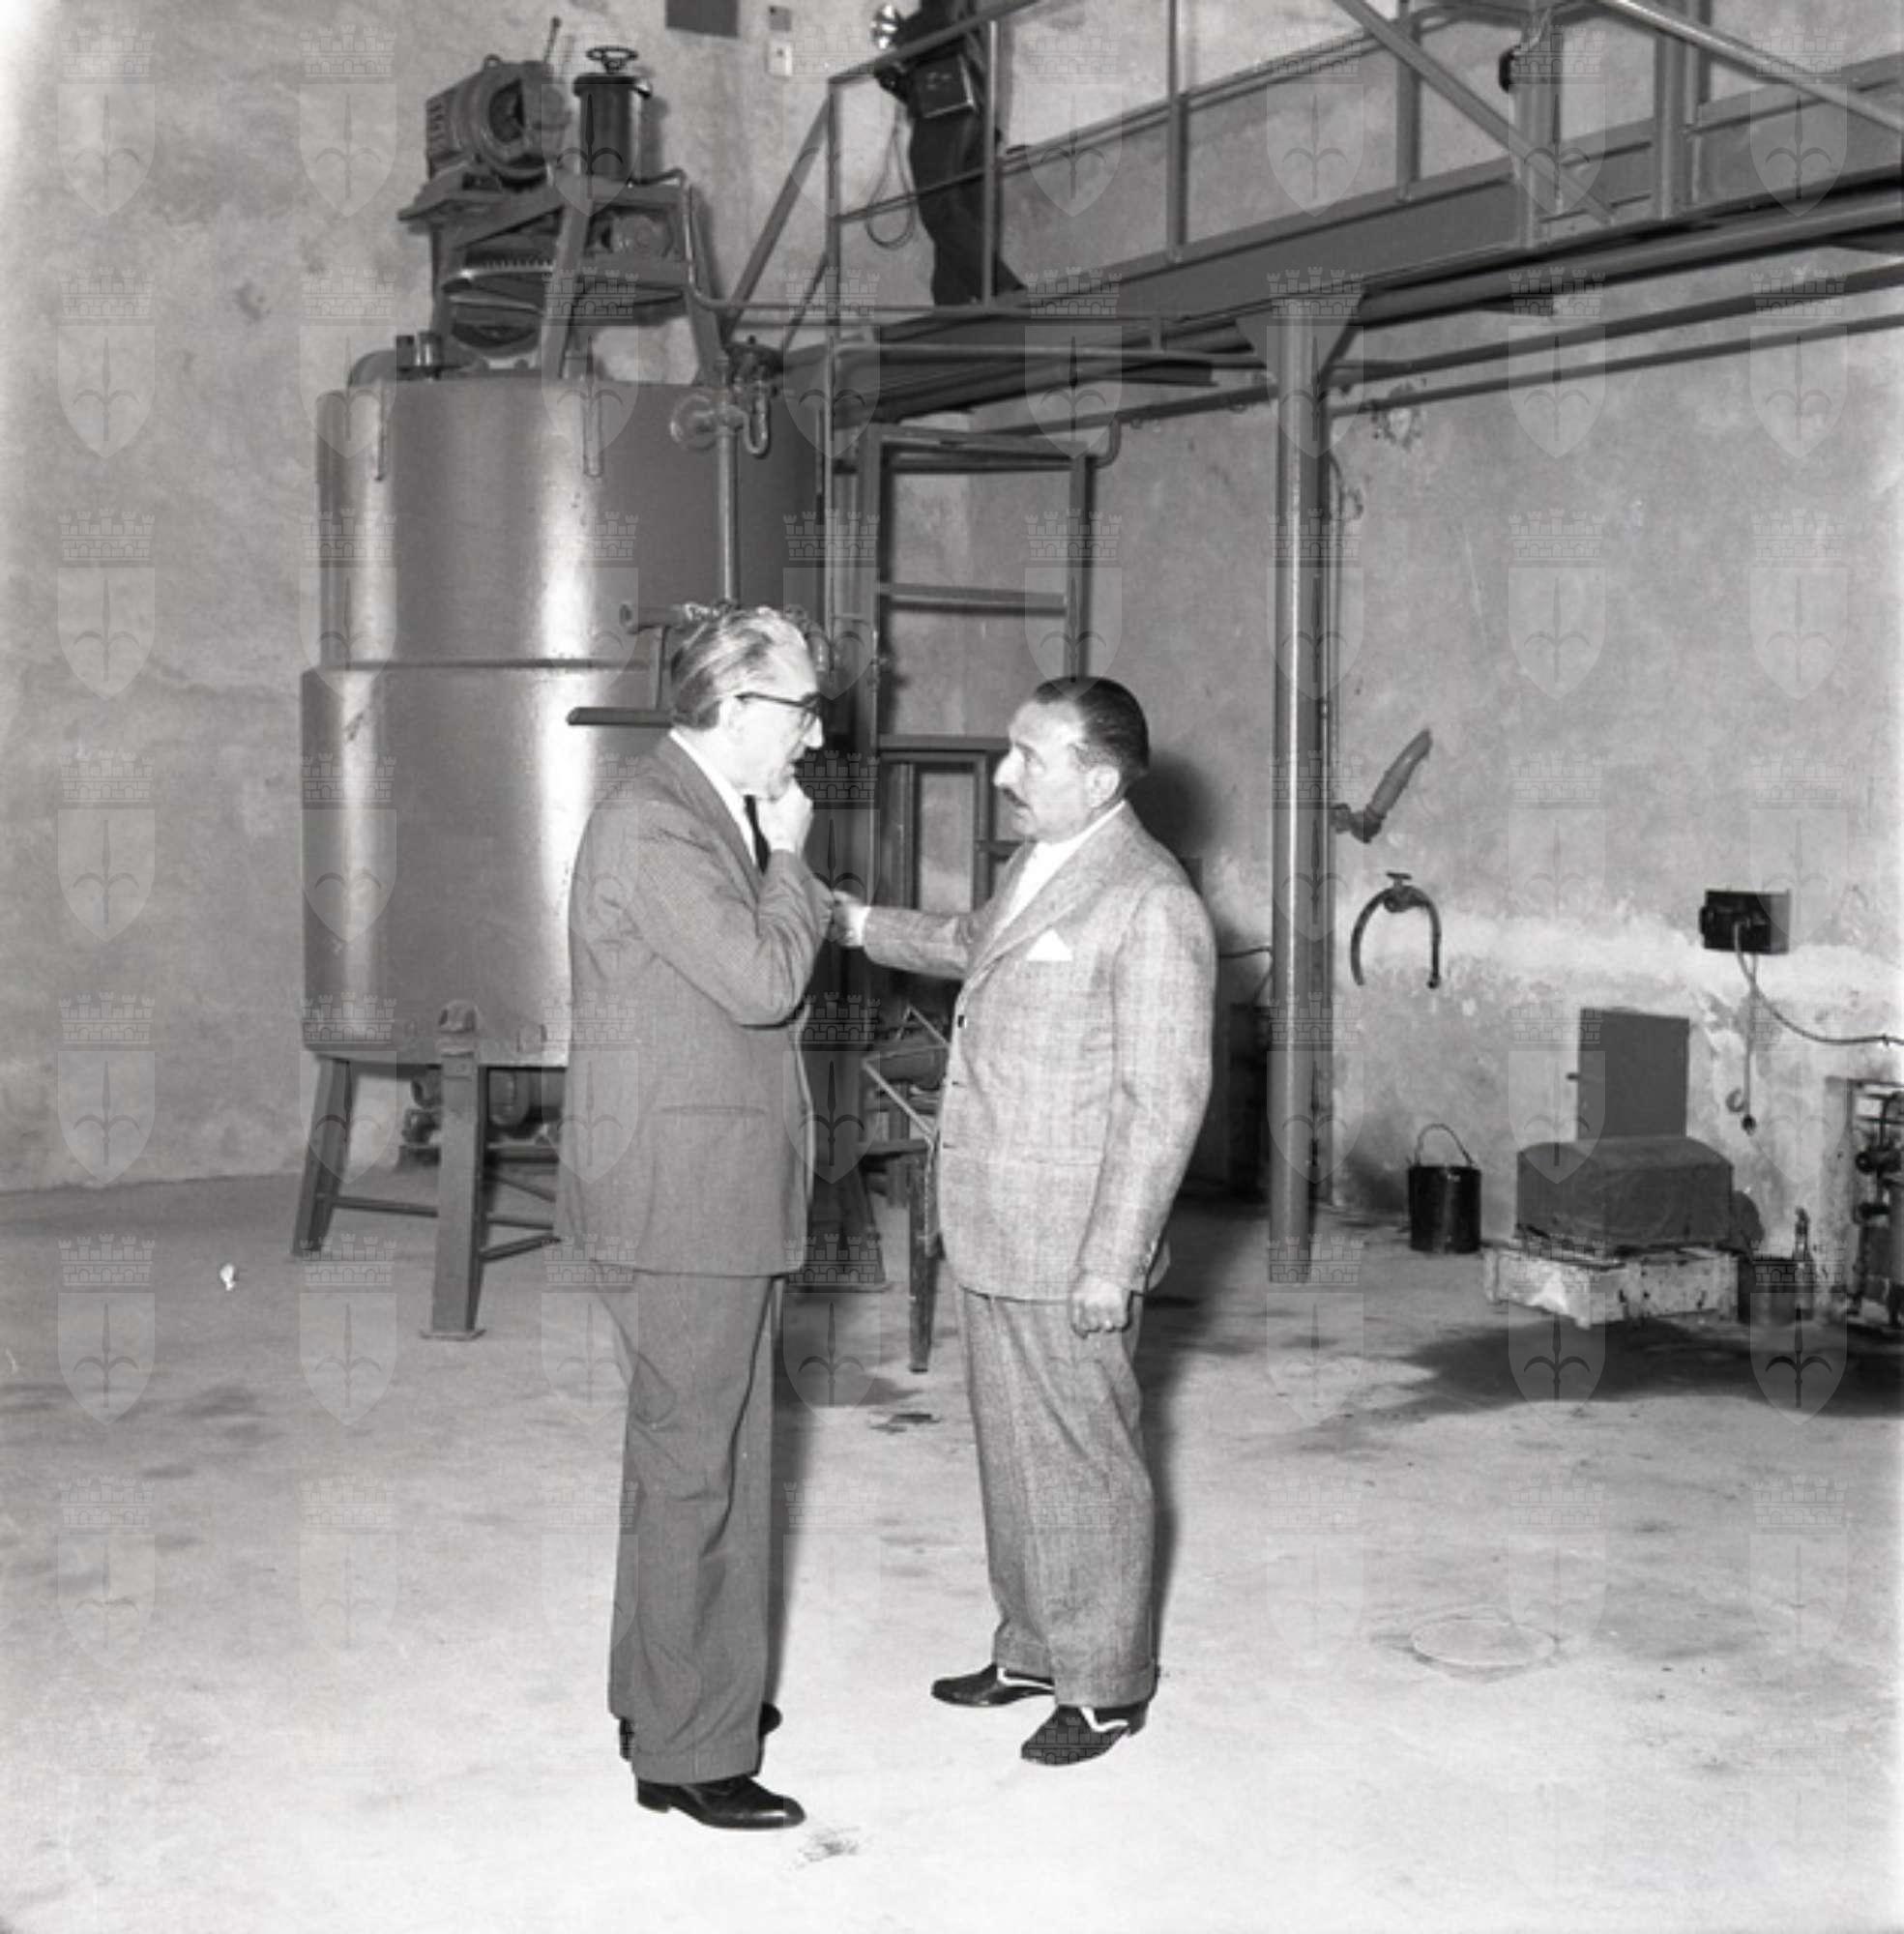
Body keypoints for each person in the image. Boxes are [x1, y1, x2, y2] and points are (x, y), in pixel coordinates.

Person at [832, 677, 1215, 1765]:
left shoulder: (1151, 901)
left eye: (1029, 757)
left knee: (1085, 1461)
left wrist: (1113, 1259)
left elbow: (1161, 1102)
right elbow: (973, 939)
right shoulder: (1041, 862)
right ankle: (1035, 1648)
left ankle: (1105, 1685)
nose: (1004, 774)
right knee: (1013, 1449)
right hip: (996, 1215)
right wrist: (854, 922)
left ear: (1098, 779)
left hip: (1071, 1236)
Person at [556, 606, 830, 1831]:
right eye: (802, 712)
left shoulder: (692, 810)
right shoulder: (658, 823)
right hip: (684, 1203)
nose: (813, 738)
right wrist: (795, 863)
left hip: (700, 1190)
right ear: (736, 707)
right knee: (699, 1472)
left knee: (689, 1458)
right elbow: (763, 981)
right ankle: (691, 1753)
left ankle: (666, 1692)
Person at [875, 0, 1024, 307]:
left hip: (946, 104)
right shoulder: (975, 16)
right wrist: (899, 83)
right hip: (974, 112)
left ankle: (1003, 289)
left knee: (940, 209)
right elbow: (952, 42)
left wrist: (898, 35)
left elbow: (940, 22)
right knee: (961, 215)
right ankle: (951, 305)